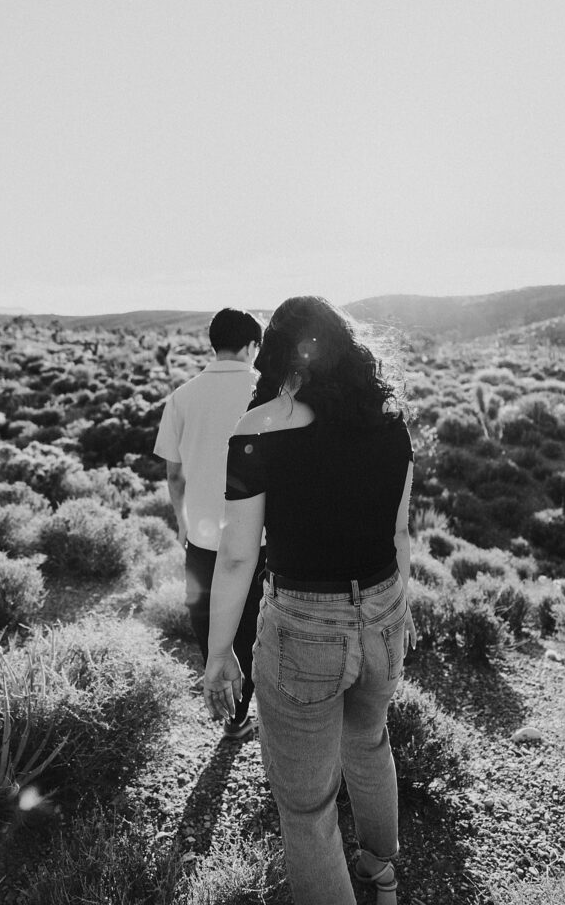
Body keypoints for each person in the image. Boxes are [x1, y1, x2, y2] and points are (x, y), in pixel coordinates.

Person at [203, 295, 416, 905]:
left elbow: (239, 556)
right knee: (371, 740)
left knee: (307, 807)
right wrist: (400, 608)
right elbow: (399, 533)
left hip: (302, 627)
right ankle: (382, 874)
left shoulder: (255, 432)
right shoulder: (390, 422)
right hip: (383, 611)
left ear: (277, 357)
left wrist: (222, 651)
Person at [154, 307, 265, 739]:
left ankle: (226, 707)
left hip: (200, 536)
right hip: (258, 538)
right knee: (254, 631)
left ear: (214, 345)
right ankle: (244, 714)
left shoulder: (182, 396)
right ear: (253, 346)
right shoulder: (268, 394)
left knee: (208, 625)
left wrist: (181, 523)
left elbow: (174, 474)